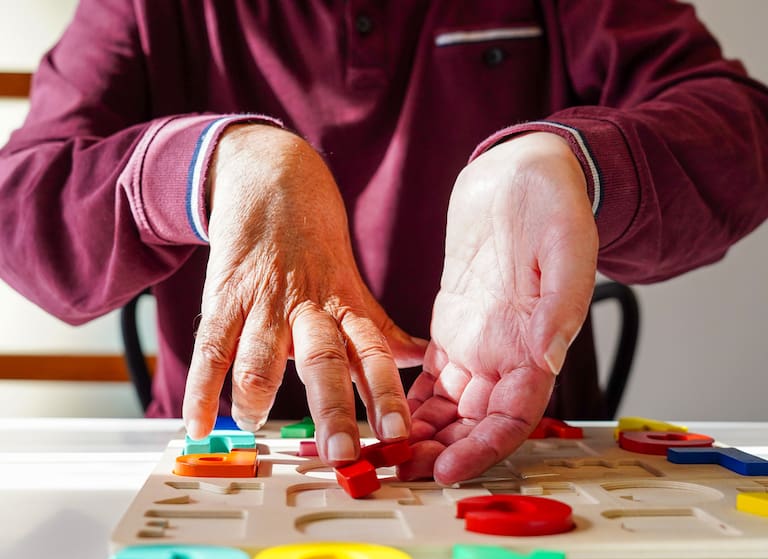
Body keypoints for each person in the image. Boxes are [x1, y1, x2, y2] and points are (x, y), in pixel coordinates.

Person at [1, 1, 767, 485]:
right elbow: (21, 207)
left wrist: (569, 160)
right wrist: (208, 166)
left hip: (519, 455)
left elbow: (740, 130)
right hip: (231, 466)